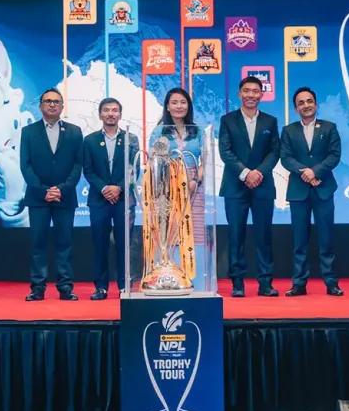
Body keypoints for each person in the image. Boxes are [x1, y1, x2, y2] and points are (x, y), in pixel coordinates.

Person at [218, 76, 280, 297]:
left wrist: (258, 173)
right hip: (235, 186)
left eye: (255, 91)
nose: (251, 95)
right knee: (236, 235)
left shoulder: (270, 121)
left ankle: (266, 283)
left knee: (264, 235)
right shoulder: (227, 120)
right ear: (239, 94)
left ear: (262, 94)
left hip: (263, 185)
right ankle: (237, 283)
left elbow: (275, 152)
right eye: (246, 91)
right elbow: (225, 151)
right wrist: (246, 173)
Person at [20, 89, 83, 301]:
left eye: (56, 101)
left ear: (62, 106)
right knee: (38, 244)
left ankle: (65, 287)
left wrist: (61, 189)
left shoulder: (74, 132)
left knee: (64, 244)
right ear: (40, 106)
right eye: (48, 101)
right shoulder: (28, 132)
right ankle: (37, 287)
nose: (52, 105)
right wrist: (43, 191)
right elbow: (25, 165)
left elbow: (78, 165)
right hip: (38, 198)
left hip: (65, 197)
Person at [280, 86, 343, 297]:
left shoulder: (329, 127)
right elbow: (286, 158)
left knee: (326, 239)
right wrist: (305, 173)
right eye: (301, 103)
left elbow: (334, 155)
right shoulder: (288, 131)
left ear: (316, 104)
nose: (306, 105)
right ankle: (299, 283)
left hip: (323, 189)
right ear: (296, 109)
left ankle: (331, 282)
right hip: (299, 192)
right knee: (300, 241)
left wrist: (315, 171)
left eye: (309, 101)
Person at [148, 88, 208, 289]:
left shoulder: (198, 131)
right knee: (170, 231)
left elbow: (204, 162)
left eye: (183, 102)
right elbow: (154, 161)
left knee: (195, 230)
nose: (179, 106)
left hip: (194, 187)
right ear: (167, 106)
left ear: (188, 106)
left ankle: (196, 281)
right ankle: (169, 276)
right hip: (166, 188)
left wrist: (194, 181)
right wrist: (172, 184)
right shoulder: (159, 131)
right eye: (174, 102)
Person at [83, 98, 139, 300]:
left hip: (123, 200)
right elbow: (88, 169)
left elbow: (134, 169)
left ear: (120, 115)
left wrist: (119, 188)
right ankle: (101, 287)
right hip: (99, 200)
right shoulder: (90, 140)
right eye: (106, 110)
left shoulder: (131, 139)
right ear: (100, 115)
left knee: (125, 245)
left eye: (115, 110)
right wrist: (105, 188)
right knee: (100, 245)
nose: (110, 114)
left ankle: (125, 286)